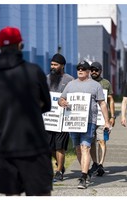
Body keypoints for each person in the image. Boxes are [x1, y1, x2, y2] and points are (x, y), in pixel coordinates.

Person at [0, 26, 53, 196]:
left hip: (5, 150)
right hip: (35, 150)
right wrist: (32, 106)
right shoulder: (33, 71)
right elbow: (47, 105)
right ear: (21, 45)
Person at [58, 60, 111, 189]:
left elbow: (102, 104)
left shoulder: (95, 85)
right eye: (78, 68)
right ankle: (85, 171)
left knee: (85, 147)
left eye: (83, 68)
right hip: (74, 122)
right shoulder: (70, 85)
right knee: (77, 149)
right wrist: (62, 102)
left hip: (89, 122)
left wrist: (107, 121)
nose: (80, 70)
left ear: (88, 71)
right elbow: (61, 99)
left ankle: (83, 176)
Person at [46, 53, 74, 182]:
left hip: (63, 119)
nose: (52, 66)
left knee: (59, 146)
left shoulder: (70, 80)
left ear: (62, 66)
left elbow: (75, 98)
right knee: (49, 147)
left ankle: (58, 173)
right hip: (48, 119)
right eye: (51, 64)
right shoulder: (46, 79)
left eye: (55, 65)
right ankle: (60, 165)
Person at [89, 61, 116, 177]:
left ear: (100, 71)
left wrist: (112, 116)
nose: (94, 72)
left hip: (102, 118)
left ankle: (101, 164)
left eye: (96, 70)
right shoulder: (87, 82)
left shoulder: (106, 83)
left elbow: (111, 100)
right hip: (90, 118)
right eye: (92, 70)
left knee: (102, 141)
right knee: (91, 142)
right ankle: (94, 162)